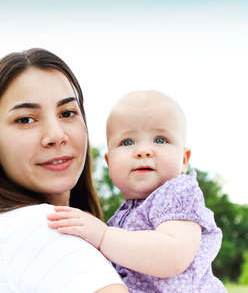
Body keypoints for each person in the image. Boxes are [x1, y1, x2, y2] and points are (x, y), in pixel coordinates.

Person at [0, 48, 128, 293]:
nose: (56, 135)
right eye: (26, 119)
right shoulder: (41, 228)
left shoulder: (9, 231)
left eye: (67, 113)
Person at [47, 91, 227, 293]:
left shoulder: (178, 192)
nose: (143, 151)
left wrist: (103, 236)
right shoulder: (120, 218)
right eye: (127, 142)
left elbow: (173, 256)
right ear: (109, 162)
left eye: (160, 140)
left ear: (184, 160)